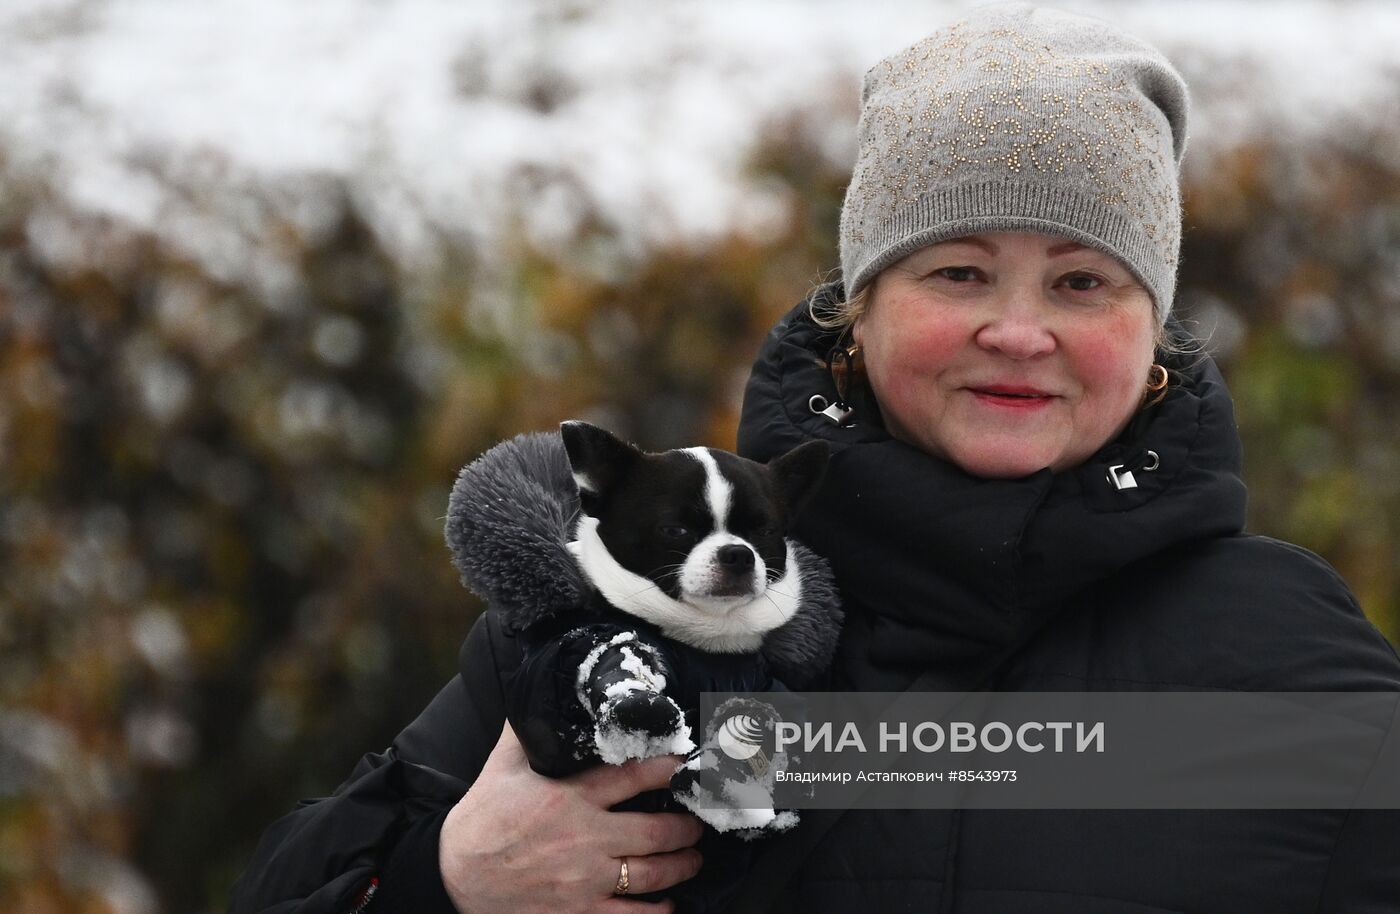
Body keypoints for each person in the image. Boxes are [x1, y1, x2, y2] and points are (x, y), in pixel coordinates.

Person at [229, 5, 1400, 913]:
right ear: (860, 309)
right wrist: (452, 877)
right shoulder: (616, 613)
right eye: (956, 271)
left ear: (1152, 335)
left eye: (1082, 280)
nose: (1018, 328)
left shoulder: (1286, 661)